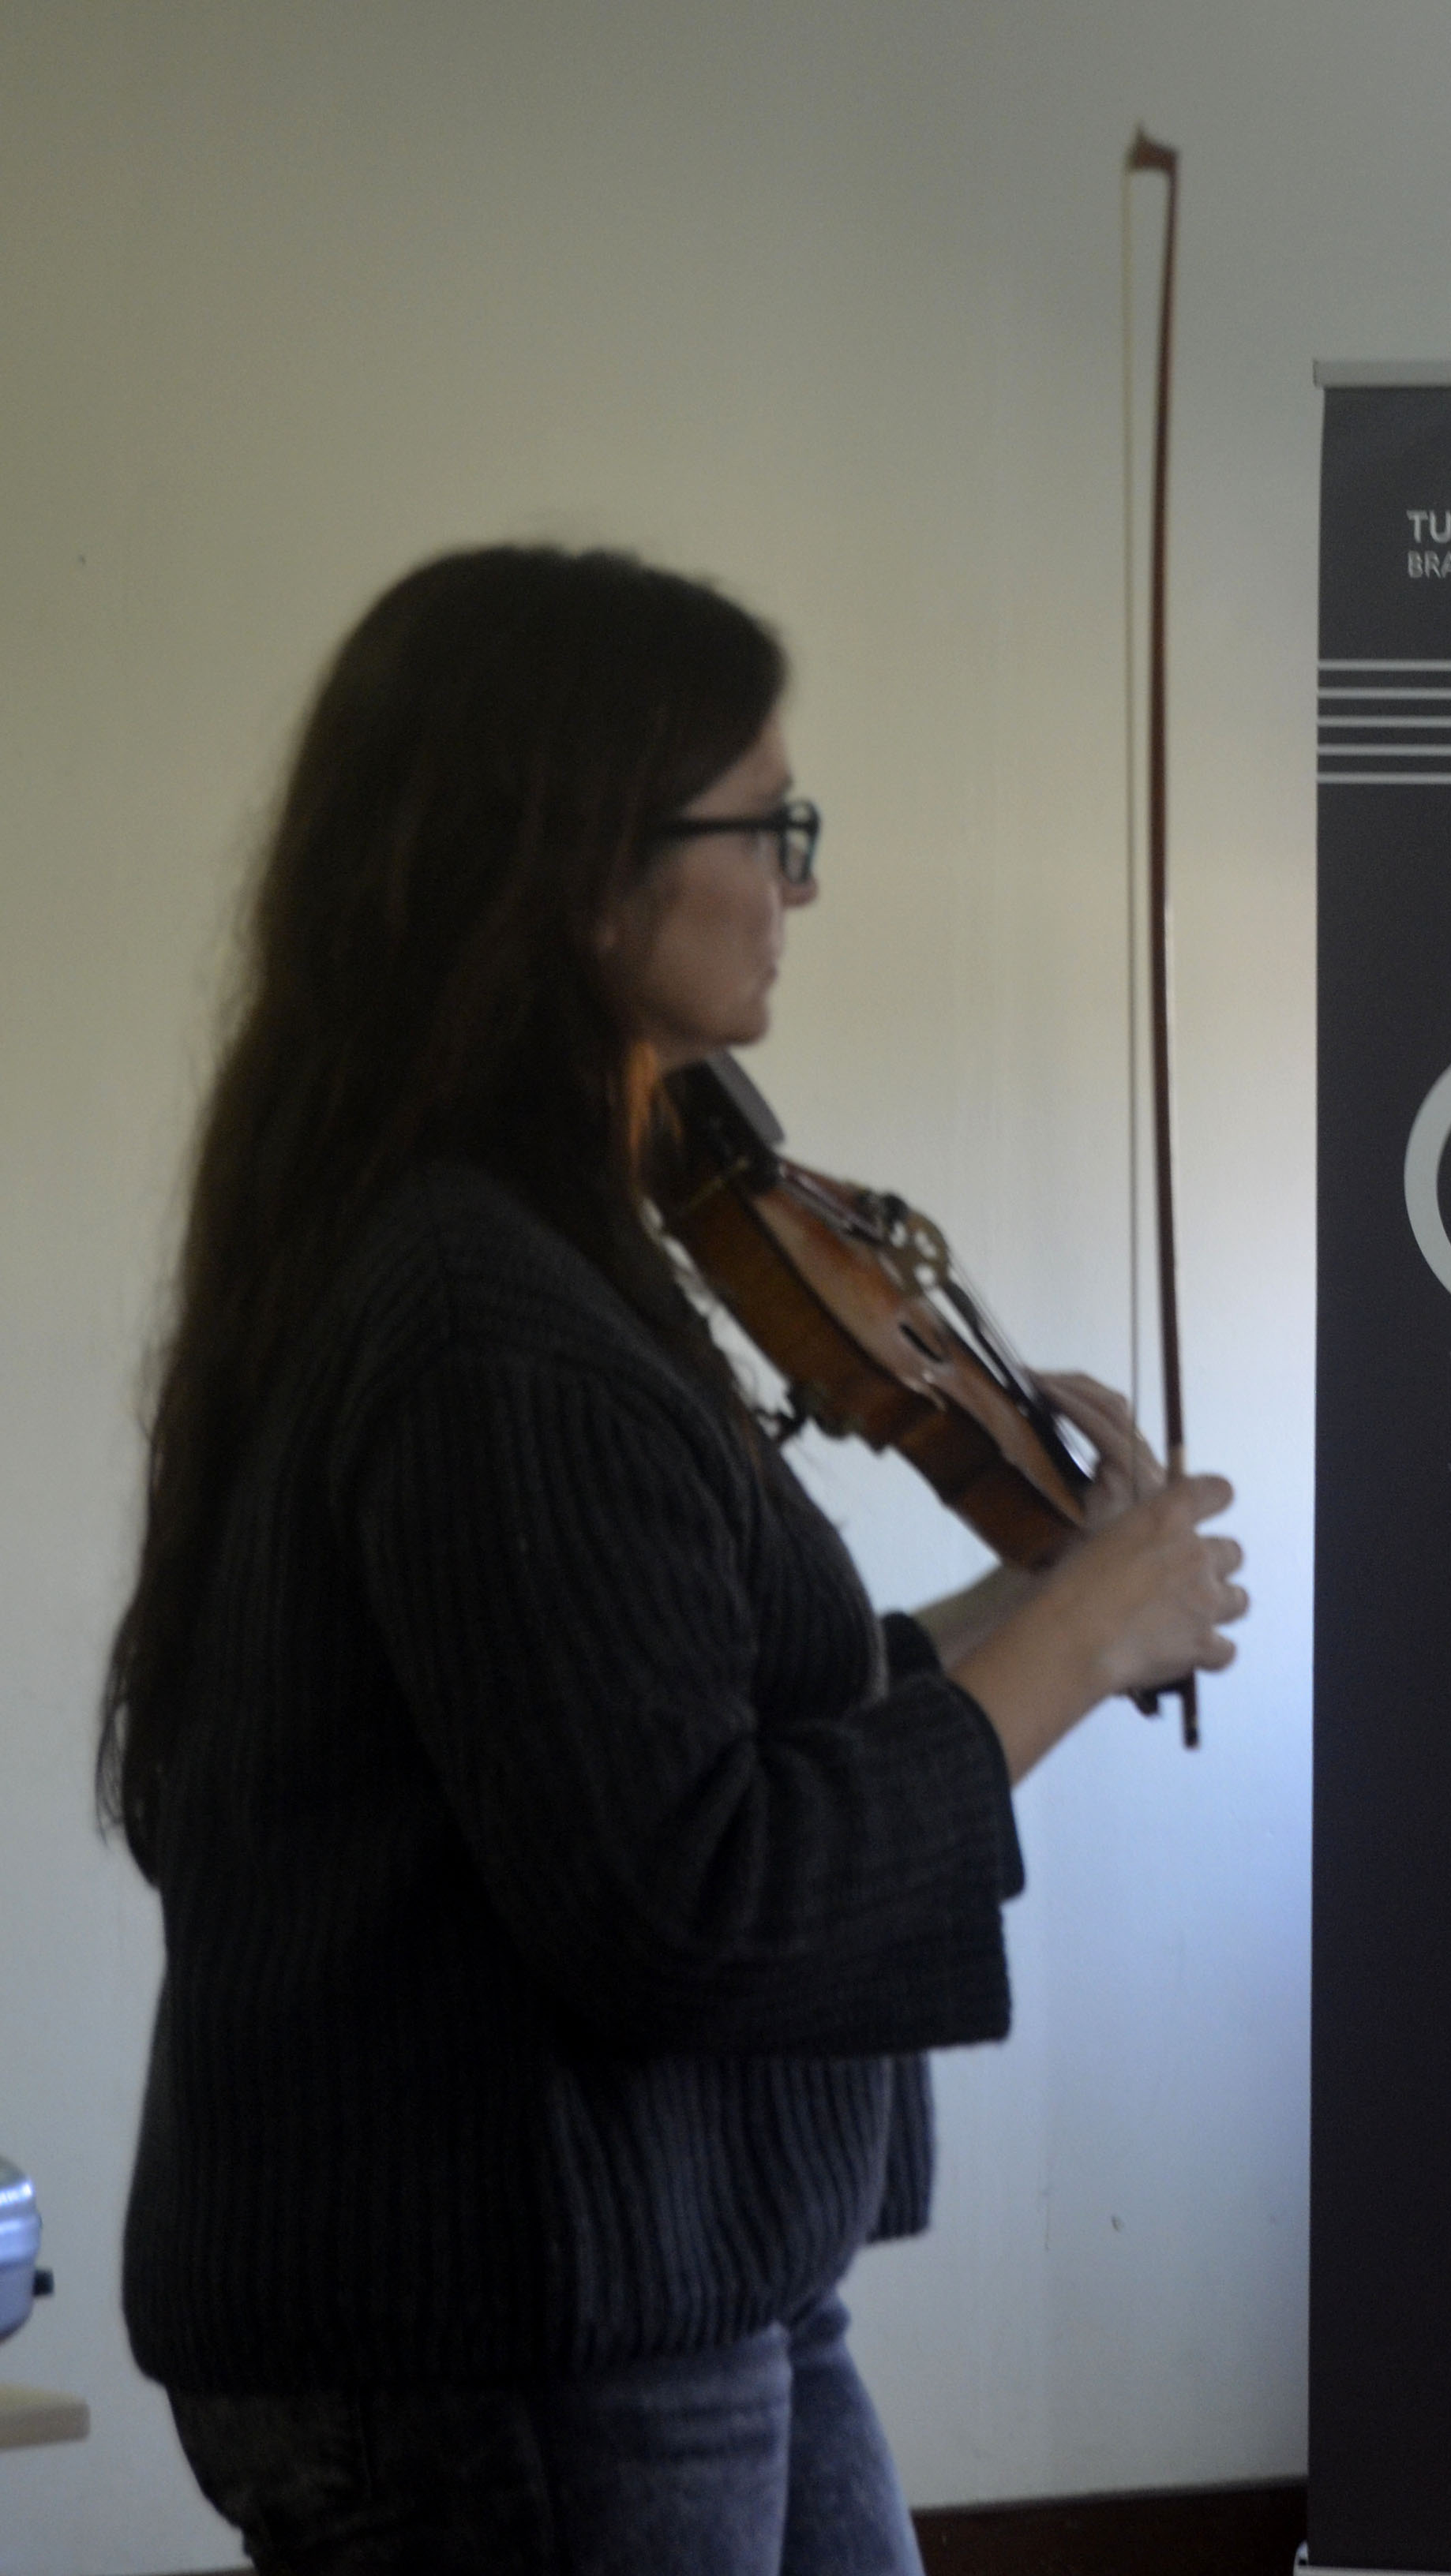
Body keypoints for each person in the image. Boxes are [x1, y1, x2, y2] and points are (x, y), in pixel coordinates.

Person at [99, 545, 1247, 2575]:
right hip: (522, 2333)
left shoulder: (535, 1262)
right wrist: (1064, 1648)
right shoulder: (486, 1322)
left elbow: (652, 1728)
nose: (798, 882)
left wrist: (1047, 1599)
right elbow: (682, 1894)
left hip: (668, 2271)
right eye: (767, 826)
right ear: (575, 866)